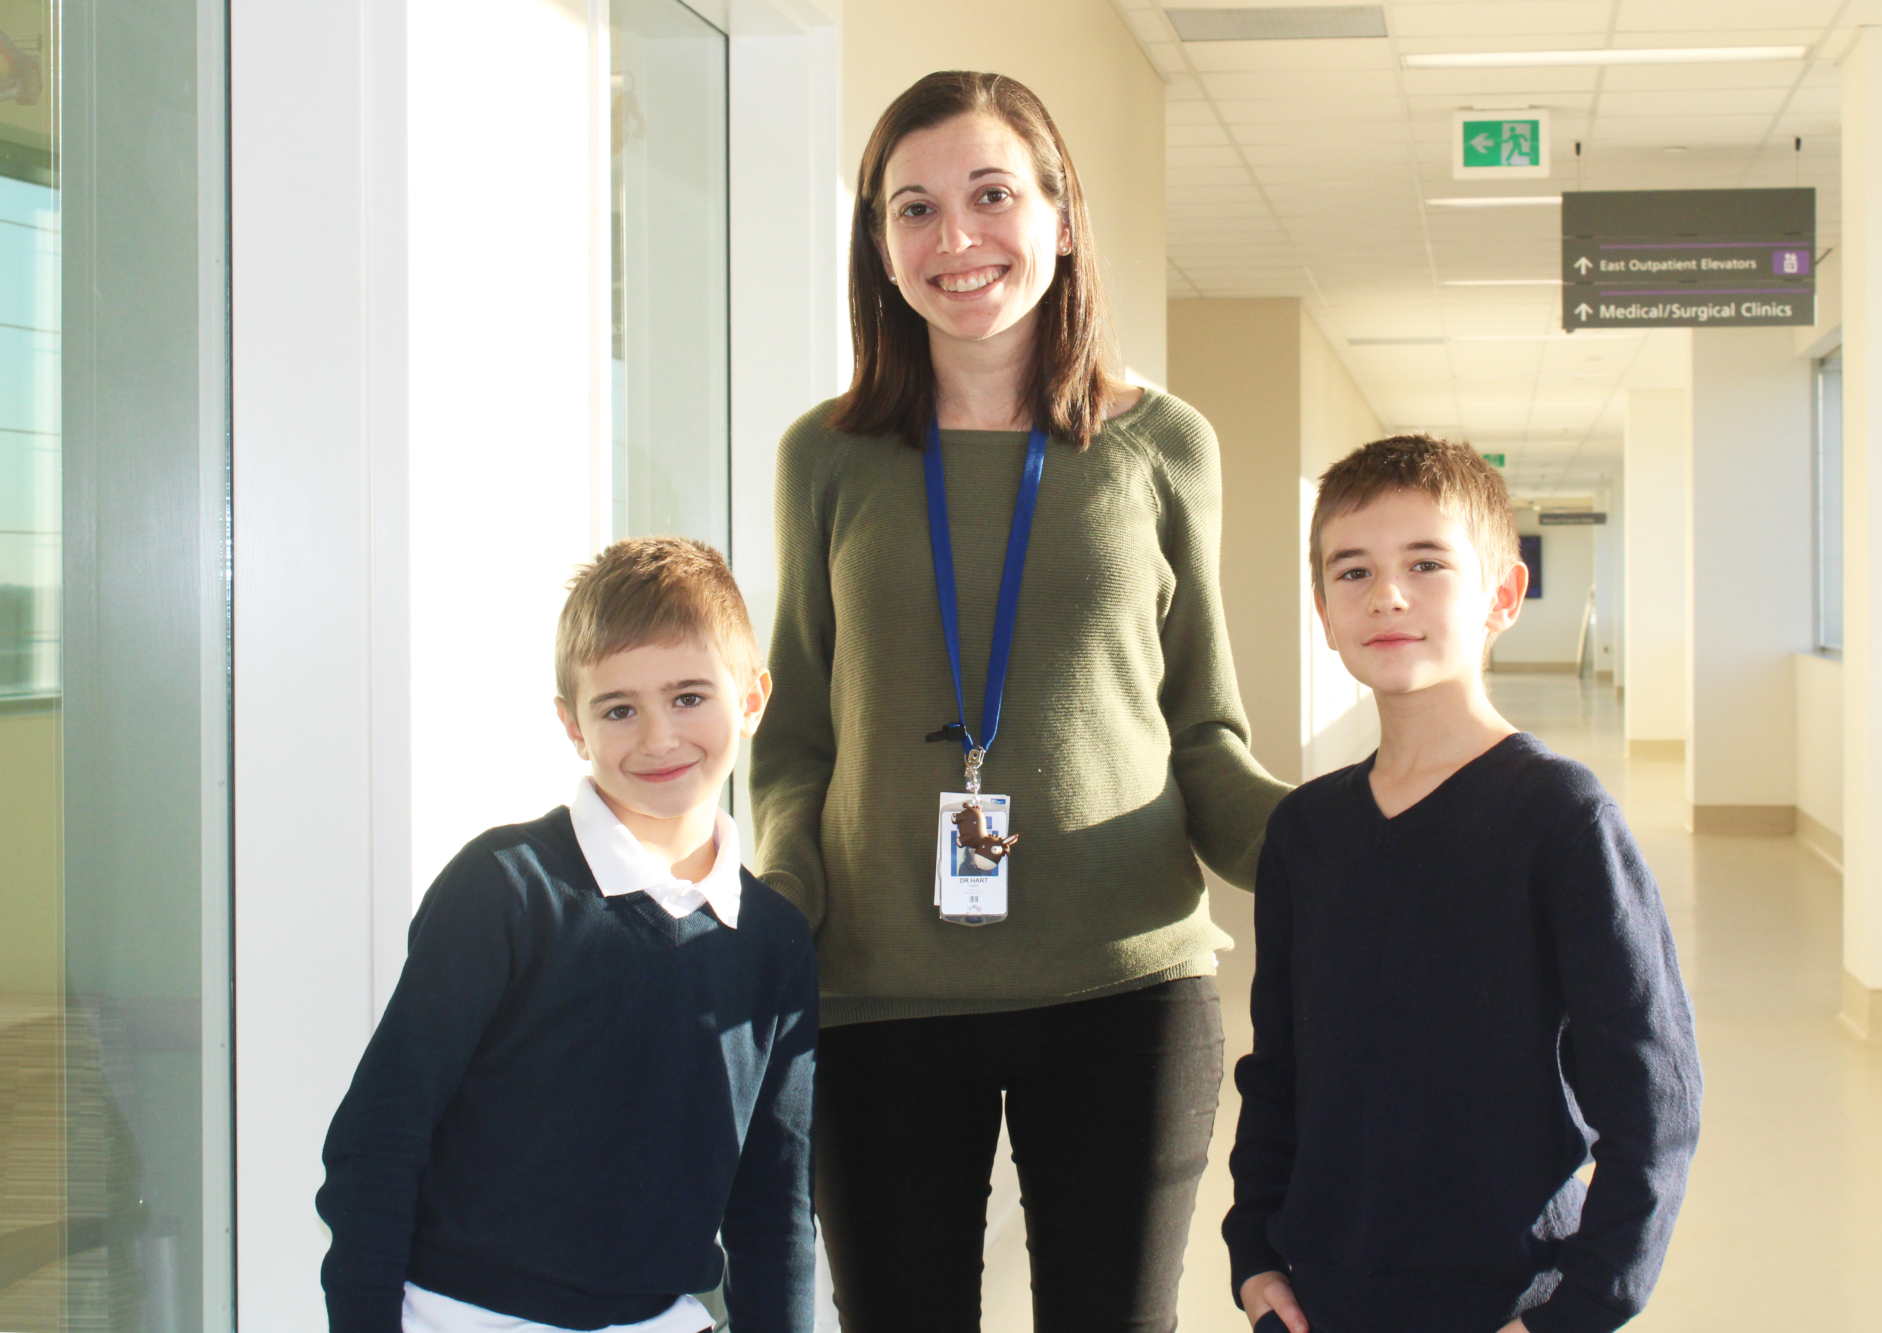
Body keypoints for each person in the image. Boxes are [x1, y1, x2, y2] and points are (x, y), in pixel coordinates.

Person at [751, 70, 1290, 1333]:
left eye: (992, 196)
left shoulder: (1163, 443)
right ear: (877, 246)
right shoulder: (824, 455)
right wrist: (776, 899)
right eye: (914, 209)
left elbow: (1203, 732)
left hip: (1125, 994)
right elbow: (795, 745)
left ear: (1058, 215)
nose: (956, 241)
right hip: (878, 997)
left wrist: (1346, 841)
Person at [1224, 436, 1702, 1333]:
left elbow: (1654, 1102)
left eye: (1427, 563)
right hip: (1323, 1292)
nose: (1388, 595)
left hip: (1504, 1298)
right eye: (1353, 570)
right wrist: (1255, 1251)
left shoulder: (1561, 818)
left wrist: (1583, 1306)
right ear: (1323, 608)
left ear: (1504, 594)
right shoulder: (1306, 831)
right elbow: (1278, 1068)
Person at [317, 538, 816, 1333]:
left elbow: (775, 1212)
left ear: (752, 699)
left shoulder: (774, 943)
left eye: (689, 696)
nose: (658, 737)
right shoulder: (502, 888)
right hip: (458, 1317)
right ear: (573, 725)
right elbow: (378, 1141)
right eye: (619, 708)